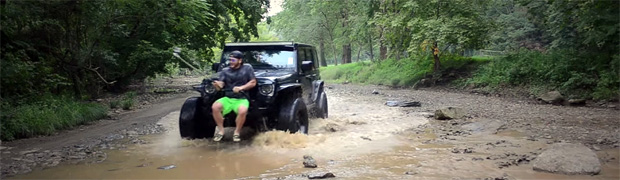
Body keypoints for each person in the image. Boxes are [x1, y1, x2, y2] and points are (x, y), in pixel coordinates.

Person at [211, 50, 257, 142]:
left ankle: (237, 132)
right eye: (230, 60)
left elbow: (253, 82)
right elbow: (221, 85)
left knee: (242, 110)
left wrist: (241, 88)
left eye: (233, 60)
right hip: (228, 98)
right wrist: (217, 85)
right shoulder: (225, 71)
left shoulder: (247, 68)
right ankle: (221, 131)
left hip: (242, 98)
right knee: (215, 107)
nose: (230, 62)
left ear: (240, 61)